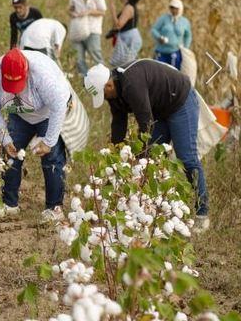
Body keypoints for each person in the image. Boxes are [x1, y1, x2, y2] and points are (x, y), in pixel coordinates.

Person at [84, 61, 210, 231]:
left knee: (186, 157)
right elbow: (118, 126)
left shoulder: (131, 84)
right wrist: (114, 157)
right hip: (158, 109)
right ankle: (154, 209)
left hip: (180, 102)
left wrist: (138, 156)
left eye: (103, 93)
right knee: (151, 160)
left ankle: (202, 212)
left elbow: (146, 124)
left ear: (108, 84)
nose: (104, 98)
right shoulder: (114, 93)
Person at [0, 49, 70, 221]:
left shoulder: (42, 74)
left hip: (48, 114)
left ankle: (54, 208)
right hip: (19, 114)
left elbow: (59, 106)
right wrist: (5, 138)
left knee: (52, 158)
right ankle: (9, 204)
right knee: (10, 155)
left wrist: (48, 141)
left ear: (26, 72)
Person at [68, 0, 106, 76]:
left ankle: (104, 78)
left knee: (95, 54)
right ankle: (85, 80)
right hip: (78, 30)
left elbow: (102, 11)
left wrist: (89, 12)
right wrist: (72, 13)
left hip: (93, 29)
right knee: (79, 58)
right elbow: (70, 8)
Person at [108, 0, 143, 67]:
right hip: (130, 36)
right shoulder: (130, 6)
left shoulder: (128, 7)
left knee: (126, 64)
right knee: (126, 63)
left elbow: (118, 25)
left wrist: (113, 11)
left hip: (129, 38)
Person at [151, 0, 191, 70]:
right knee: (159, 71)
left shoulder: (184, 21)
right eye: (172, 8)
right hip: (161, 51)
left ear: (180, 9)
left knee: (173, 73)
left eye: (176, 8)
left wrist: (186, 48)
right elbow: (154, 29)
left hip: (175, 52)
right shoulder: (164, 18)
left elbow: (188, 35)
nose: (174, 10)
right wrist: (159, 37)